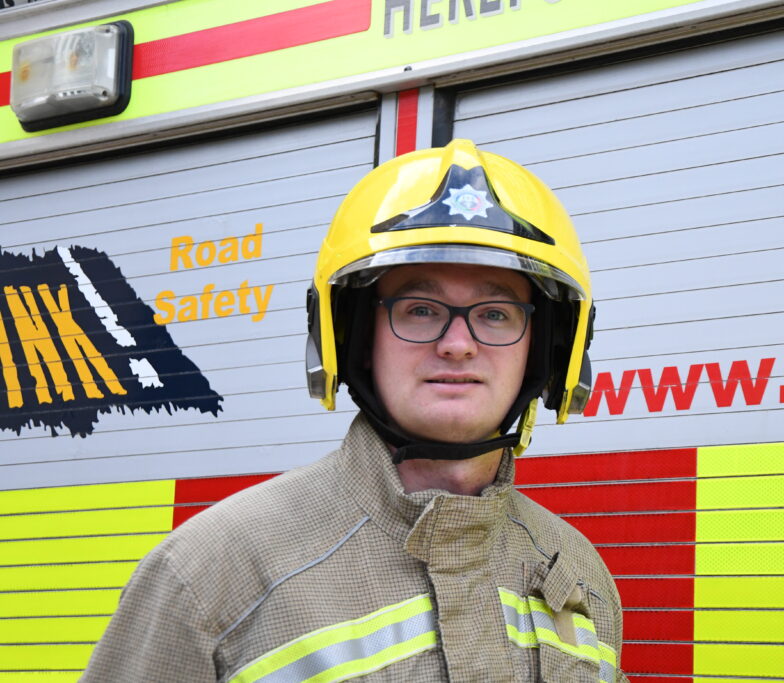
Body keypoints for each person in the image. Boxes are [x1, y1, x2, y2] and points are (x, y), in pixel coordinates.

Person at [81, 140, 625, 682]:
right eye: (419, 309)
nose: (458, 344)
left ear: (548, 348)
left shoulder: (577, 573)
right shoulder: (208, 576)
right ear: (356, 339)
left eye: (497, 314)